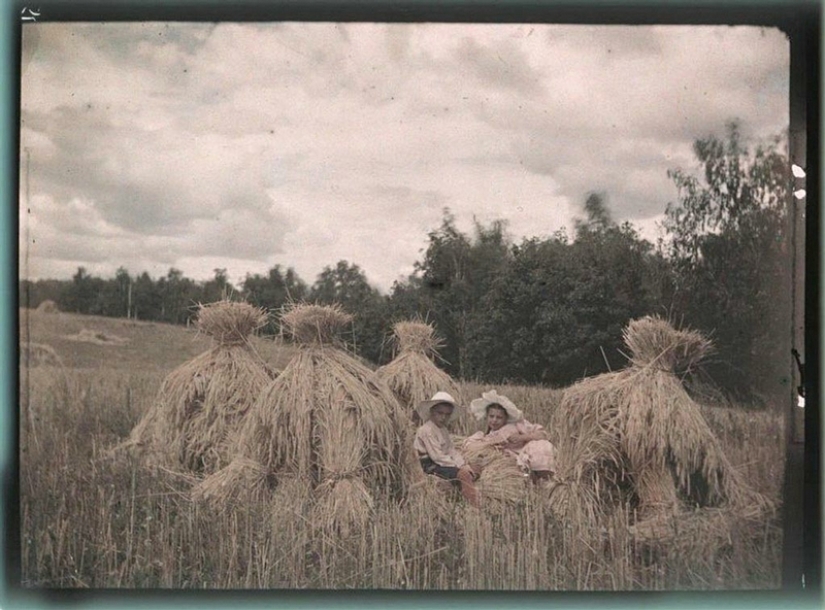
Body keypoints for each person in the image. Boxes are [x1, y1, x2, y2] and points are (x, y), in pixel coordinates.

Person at [463, 389, 557, 483]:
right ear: (486, 417)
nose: (494, 420)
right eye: (491, 416)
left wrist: (522, 438)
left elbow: (542, 435)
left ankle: (542, 477)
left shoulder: (516, 426)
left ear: (506, 418)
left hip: (525, 459)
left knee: (541, 446)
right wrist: (493, 443)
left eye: (499, 417)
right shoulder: (484, 436)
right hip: (505, 464)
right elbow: (470, 447)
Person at [413, 391, 480, 507]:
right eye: (440, 413)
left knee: (475, 468)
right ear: (432, 412)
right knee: (463, 474)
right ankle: (474, 505)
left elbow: (451, 450)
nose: (443, 417)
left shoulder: (443, 429)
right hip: (429, 465)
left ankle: (465, 487)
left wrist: (462, 463)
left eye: (447, 414)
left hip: (441, 462)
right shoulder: (426, 430)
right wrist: (460, 468)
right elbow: (437, 457)